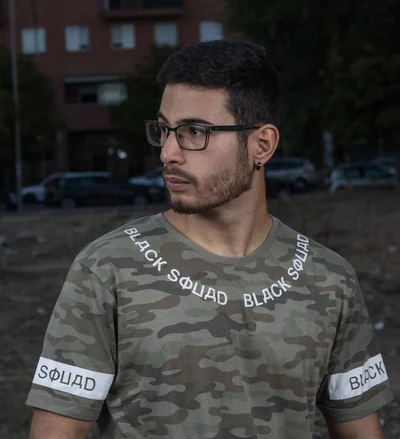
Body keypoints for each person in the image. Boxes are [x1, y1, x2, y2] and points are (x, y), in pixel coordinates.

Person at [27, 41, 393, 439]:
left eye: (194, 131)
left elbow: (360, 431)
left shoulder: (330, 279)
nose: (168, 152)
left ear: (262, 145)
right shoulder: (105, 270)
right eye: (165, 130)